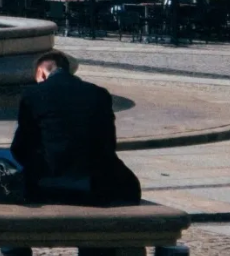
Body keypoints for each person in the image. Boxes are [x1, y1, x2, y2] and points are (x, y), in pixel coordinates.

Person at [10, 49, 139, 206]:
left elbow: (20, 146)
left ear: (41, 72)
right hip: (94, 181)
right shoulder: (98, 93)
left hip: (49, 181)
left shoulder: (33, 94)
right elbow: (108, 142)